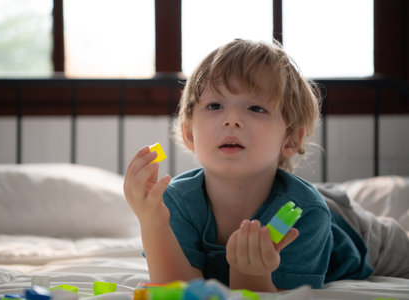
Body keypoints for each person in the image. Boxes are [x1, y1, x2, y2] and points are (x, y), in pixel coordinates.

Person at [123, 39, 409, 292]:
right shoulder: (175, 202)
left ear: (290, 139)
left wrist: (252, 275)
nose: (231, 119)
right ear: (188, 133)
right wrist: (152, 221)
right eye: (214, 106)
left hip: (357, 231)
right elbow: (182, 289)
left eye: (256, 108)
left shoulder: (305, 214)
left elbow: (284, 292)